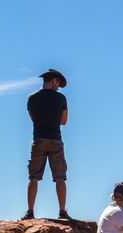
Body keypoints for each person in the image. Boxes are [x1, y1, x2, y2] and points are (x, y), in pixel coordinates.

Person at [21, 69, 72, 221]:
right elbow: (63, 121)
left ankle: (30, 212)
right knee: (60, 177)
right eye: (58, 83)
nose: (59, 87)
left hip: (38, 139)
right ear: (54, 81)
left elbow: (32, 118)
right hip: (55, 140)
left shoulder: (32, 98)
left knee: (33, 177)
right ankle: (62, 212)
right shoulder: (61, 98)